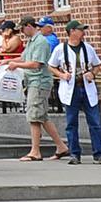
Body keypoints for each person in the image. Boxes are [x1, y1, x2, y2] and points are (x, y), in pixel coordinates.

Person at [49, 21, 101, 164]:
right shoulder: (60, 49)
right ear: (72, 31)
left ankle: (99, 153)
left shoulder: (87, 48)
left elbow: (97, 64)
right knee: (71, 123)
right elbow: (51, 66)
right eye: (80, 30)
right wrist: (61, 75)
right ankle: (74, 153)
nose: (83, 32)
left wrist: (93, 74)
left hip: (86, 87)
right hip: (71, 88)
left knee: (95, 122)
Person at [17, 17, 66, 162]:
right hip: (33, 81)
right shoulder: (32, 41)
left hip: (38, 82)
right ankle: (61, 146)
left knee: (34, 116)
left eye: (22, 28)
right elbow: (24, 58)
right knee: (43, 116)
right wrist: (7, 61)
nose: (21, 32)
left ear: (29, 26)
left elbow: (36, 64)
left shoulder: (41, 42)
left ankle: (35, 151)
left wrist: (15, 65)